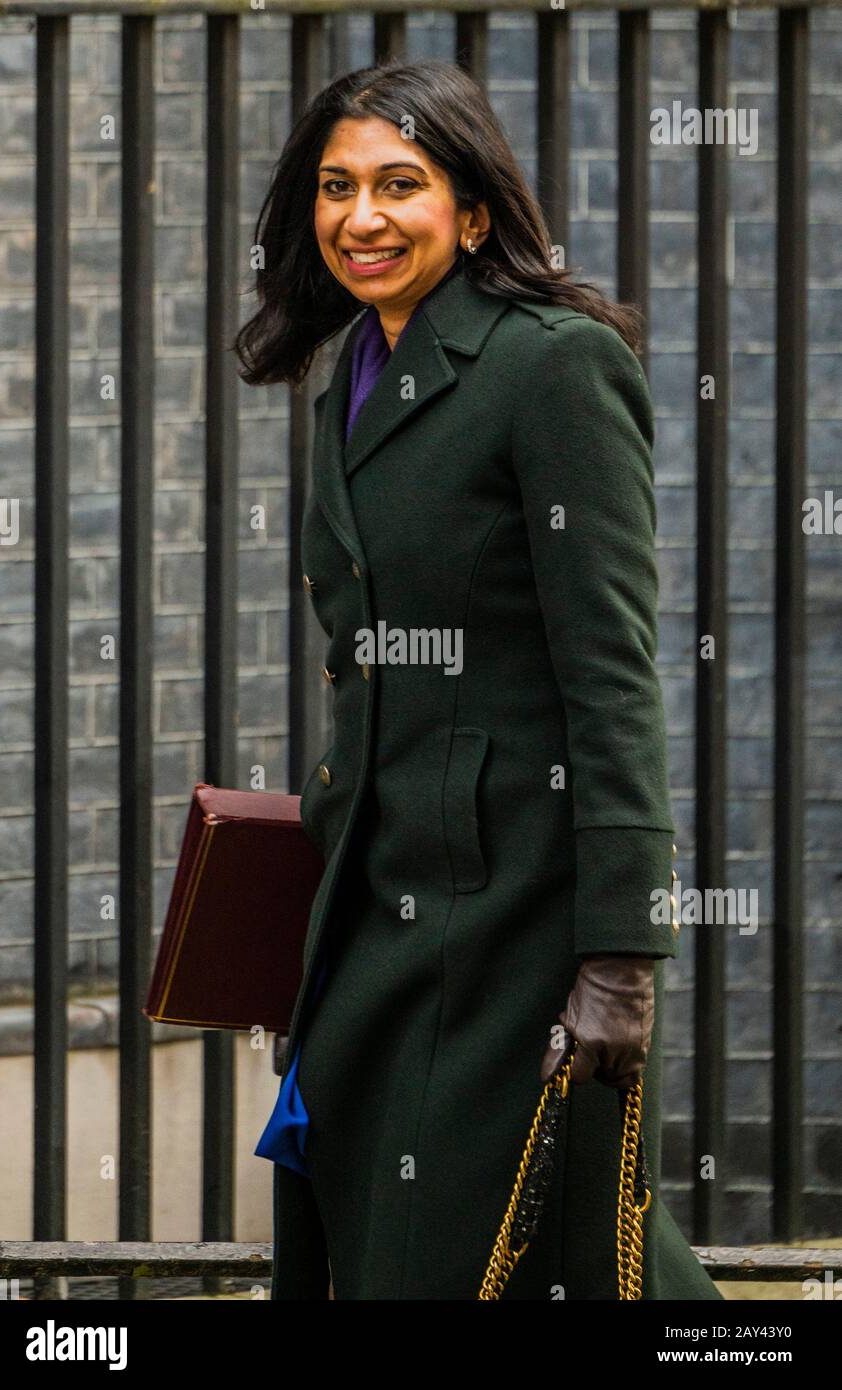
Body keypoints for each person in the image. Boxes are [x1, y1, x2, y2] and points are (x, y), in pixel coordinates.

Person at [235, 58, 724, 1302]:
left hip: (517, 914)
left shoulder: (550, 365)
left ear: (475, 208)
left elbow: (613, 671)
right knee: (374, 1233)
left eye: (401, 184)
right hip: (376, 906)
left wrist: (620, 955)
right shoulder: (347, 373)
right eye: (335, 188)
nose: (362, 217)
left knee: (519, 1250)